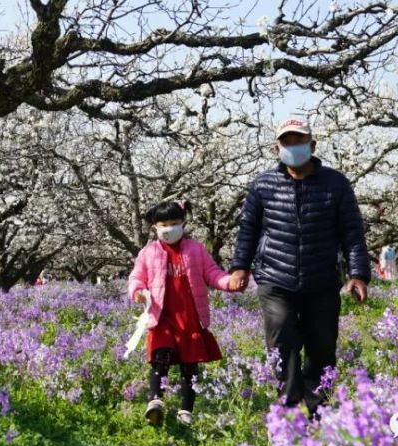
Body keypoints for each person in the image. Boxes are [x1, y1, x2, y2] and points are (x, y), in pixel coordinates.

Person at [228, 117, 371, 418]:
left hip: (321, 279)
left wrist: (358, 274)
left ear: (313, 145)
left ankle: (319, 409)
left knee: (322, 347)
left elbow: (352, 233)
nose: (294, 147)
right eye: (287, 142)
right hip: (275, 278)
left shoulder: (336, 183)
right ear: (276, 147)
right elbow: (248, 230)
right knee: (282, 338)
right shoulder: (263, 185)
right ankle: (290, 407)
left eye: (299, 141)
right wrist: (240, 267)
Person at [127, 200, 240, 426]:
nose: (169, 228)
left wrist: (230, 282)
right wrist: (138, 291)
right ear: (154, 227)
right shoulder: (148, 252)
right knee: (160, 358)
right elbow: (136, 277)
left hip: (190, 318)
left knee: (190, 366)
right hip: (161, 318)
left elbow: (212, 273)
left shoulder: (195, 249)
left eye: (174, 223)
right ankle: (155, 401)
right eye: (163, 224)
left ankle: (185, 411)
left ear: (183, 223)